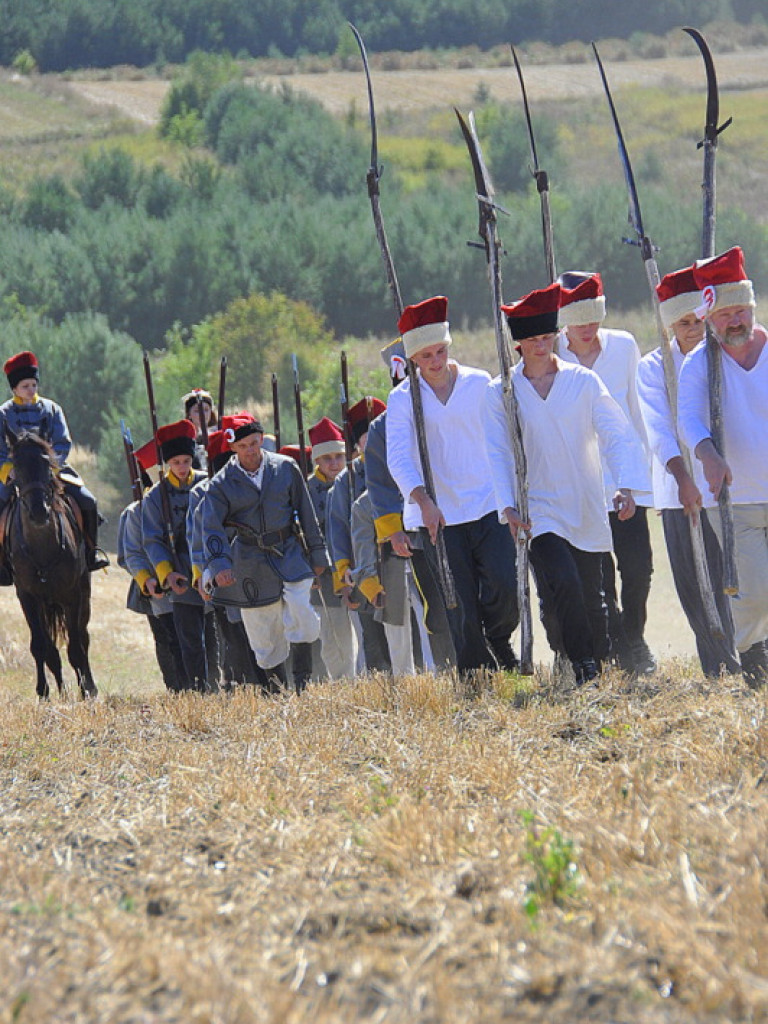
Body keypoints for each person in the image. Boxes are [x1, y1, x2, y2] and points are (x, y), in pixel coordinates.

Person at [484, 283, 647, 685]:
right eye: (532, 339)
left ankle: (595, 656)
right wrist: (508, 504)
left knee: (592, 596)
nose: (541, 345)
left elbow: (616, 432)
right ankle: (582, 664)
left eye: (546, 336)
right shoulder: (502, 391)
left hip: (586, 502)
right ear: (518, 344)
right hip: (538, 507)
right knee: (564, 582)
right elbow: (498, 450)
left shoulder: (583, 382)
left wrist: (626, 484)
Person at [386, 295, 519, 676]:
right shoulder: (402, 399)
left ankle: (498, 637)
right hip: (439, 515)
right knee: (457, 600)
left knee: (505, 586)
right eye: (426, 356)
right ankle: (476, 675)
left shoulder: (480, 383)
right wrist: (423, 500)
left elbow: (504, 439)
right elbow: (399, 457)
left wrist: (510, 496)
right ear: (413, 358)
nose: (436, 362)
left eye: (440, 351)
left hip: (487, 502)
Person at [636, 265, 739, 678]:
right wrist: (682, 479)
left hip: (733, 485)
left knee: (736, 580)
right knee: (697, 586)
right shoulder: (652, 368)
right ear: (670, 325)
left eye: (699, 320)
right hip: (677, 491)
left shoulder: (726, 354)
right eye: (684, 323)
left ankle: (750, 658)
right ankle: (717, 667)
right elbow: (659, 431)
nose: (694, 329)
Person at [556, 273, 656, 674]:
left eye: (592, 318)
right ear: (564, 320)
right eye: (577, 320)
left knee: (638, 567)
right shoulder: (551, 353)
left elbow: (637, 413)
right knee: (599, 573)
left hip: (624, 477)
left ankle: (635, 634)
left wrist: (645, 482)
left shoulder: (624, 345)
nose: (585, 328)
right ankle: (619, 645)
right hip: (580, 482)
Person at [678, 245, 768, 687]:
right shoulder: (700, 364)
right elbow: (689, 417)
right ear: (709, 319)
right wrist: (709, 455)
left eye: (740, 311)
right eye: (724, 314)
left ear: (752, 307)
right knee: (753, 592)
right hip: (734, 498)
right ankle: (755, 658)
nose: (734, 321)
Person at [199, 414, 330, 687]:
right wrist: (220, 566)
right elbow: (211, 528)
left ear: (261, 440)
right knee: (262, 628)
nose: (250, 450)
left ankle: (303, 681)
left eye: (254, 443)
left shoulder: (285, 468)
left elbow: (306, 512)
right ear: (233, 448)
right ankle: (276, 687)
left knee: (300, 608)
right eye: (243, 445)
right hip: (248, 560)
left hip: (289, 551)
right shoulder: (220, 484)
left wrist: (318, 554)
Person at [365, 339, 455, 671]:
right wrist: (394, 532)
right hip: (417, 531)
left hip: (463, 516)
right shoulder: (381, 428)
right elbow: (380, 483)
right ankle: (449, 667)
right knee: (436, 604)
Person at [0, 350, 109, 584]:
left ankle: (91, 552)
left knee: (88, 501)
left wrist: (50, 467)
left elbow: (62, 442)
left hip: (53, 471)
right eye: (25, 386)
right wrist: (11, 472)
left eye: (33, 384)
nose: (31, 389)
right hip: (15, 475)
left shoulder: (52, 409)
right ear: (14, 389)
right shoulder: (3, 414)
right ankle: (3, 562)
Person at [141, 419, 218, 693]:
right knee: (189, 639)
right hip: (181, 572)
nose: (183, 467)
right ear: (167, 464)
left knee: (218, 634)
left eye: (187, 461)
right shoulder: (155, 497)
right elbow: (152, 540)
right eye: (176, 462)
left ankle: (221, 687)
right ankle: (197, 690)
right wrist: (166, 573)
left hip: (212, 566)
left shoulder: (211, 484)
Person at [327, 397, 391, 674]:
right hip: (364, 567)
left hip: (400, 560)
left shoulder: (399, 464)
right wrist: (344, 572)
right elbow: (339, 530)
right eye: (367, 437)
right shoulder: (345, 480)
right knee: (373, 637)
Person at [304, 416, 358, 681]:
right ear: (317, 460)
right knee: (334, 637)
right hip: (324, 575)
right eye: (328, 458)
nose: (334, 463)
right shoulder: (306, 490)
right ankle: (342, 682)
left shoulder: (353, 482)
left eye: (339, 456)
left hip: (356, 568)